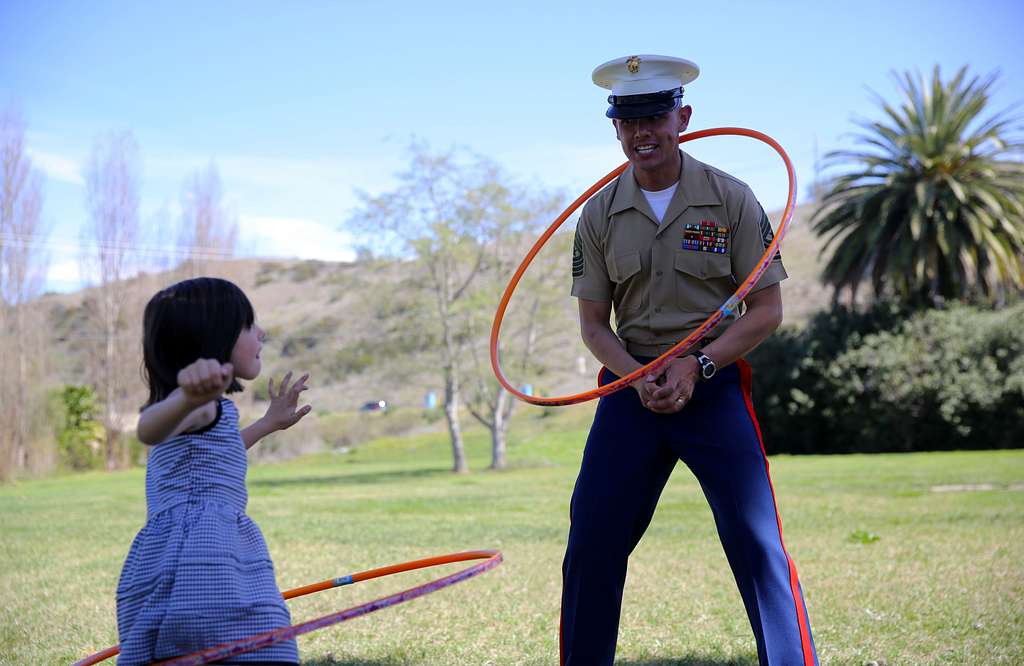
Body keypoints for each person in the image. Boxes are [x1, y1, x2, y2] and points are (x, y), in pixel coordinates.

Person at [560, 55, 818, 666]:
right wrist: (638, 374)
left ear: (683, 118)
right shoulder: (598, 214)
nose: (642, 132)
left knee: (757, 543)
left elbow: (766, 311)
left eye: (654, 116)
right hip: (631, 390)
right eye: (628, 120)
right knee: (592, 543)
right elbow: (594, 326)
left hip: (713, 384)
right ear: (615, 128)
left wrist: (697, 367)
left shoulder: (730, 197)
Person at [116, 277, 311, 665]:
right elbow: (147, 430)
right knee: (260, 648)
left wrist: (268, 424)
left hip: (204, 552)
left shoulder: (207, 410)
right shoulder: (192, 405)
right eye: (247, 325)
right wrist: (186, 398)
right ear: (212, 335)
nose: (262, 333)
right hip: (200, 562)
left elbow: (218, 455)